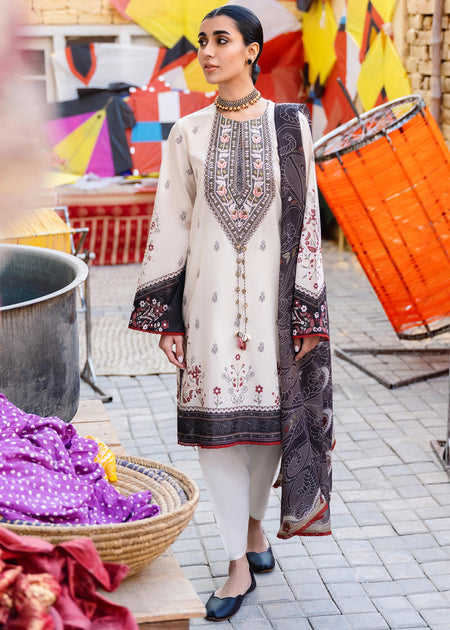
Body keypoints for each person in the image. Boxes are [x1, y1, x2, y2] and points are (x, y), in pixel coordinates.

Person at [129, 4, 334, 622]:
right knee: (218, 439)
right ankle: (236, 563)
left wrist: (308, 312)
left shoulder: (291, 126)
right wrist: (166, 315)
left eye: (222, 40)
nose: (208, 52)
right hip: (207, 309)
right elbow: (170, 223)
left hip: (275, 309)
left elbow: (307, 224)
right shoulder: (187, 133)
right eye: (202, 41)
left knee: (268, 433)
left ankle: (252, 527)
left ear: (252, 51)